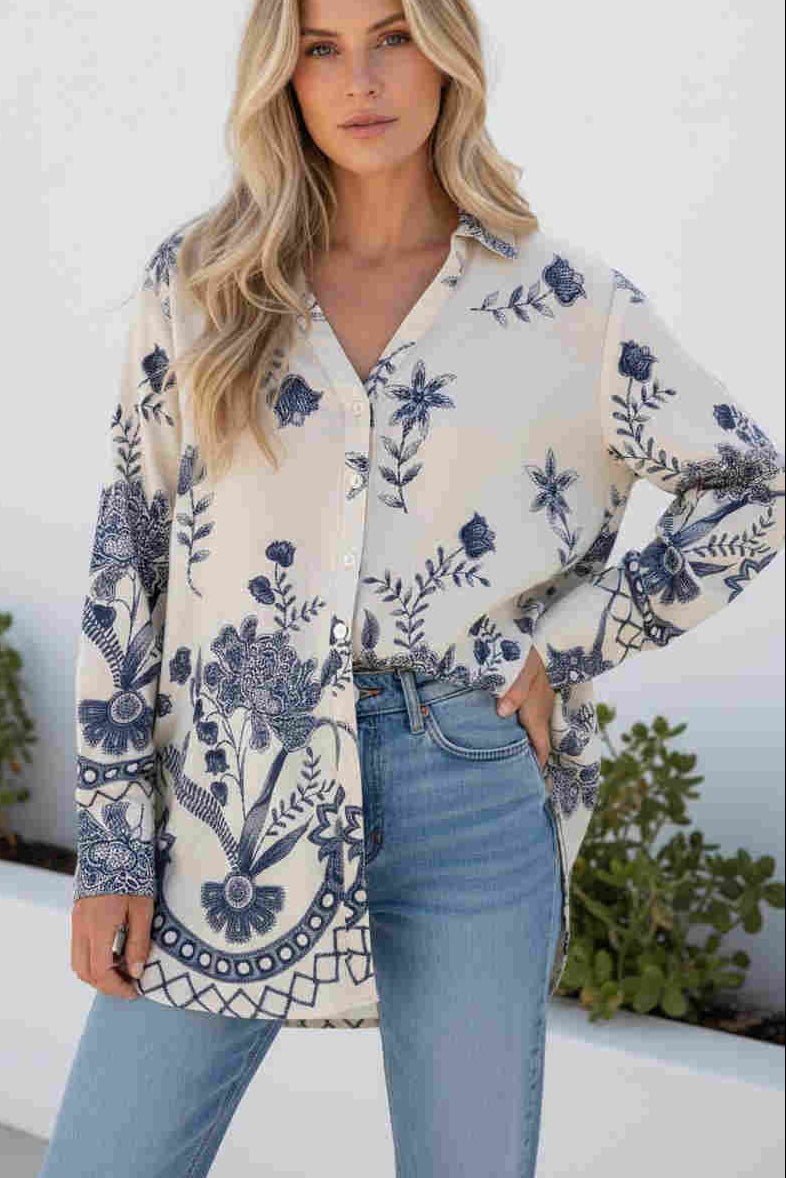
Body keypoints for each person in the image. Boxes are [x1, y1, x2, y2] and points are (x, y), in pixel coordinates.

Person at [39, 0, 785, 1176]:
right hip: (233, 794)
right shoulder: (203, 283)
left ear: (448, 56)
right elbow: (128, 558)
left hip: (470, 780)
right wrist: (115, 850)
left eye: (392, 36)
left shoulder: (566, 301)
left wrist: (566, 645)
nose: (362, 80)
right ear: (283, 76)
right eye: (322, 49)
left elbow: (750, 485)